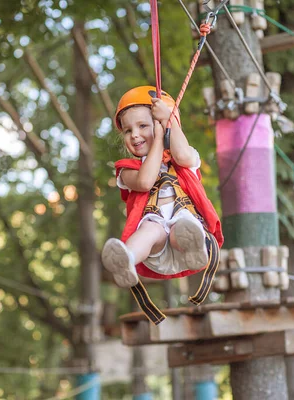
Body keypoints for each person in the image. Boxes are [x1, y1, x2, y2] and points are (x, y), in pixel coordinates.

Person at [101, 86, 223, 323]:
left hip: (183, 234)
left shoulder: (183, 159)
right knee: (150, 230)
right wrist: (157, 139)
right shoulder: (126, 170)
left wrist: (168, 123)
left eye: (143, 126)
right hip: (155, 240)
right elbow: (145, 182)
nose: (134, 135)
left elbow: (184, 156)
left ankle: (194, 248)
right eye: (127, 130)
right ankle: (126, 259)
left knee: (183, 225)